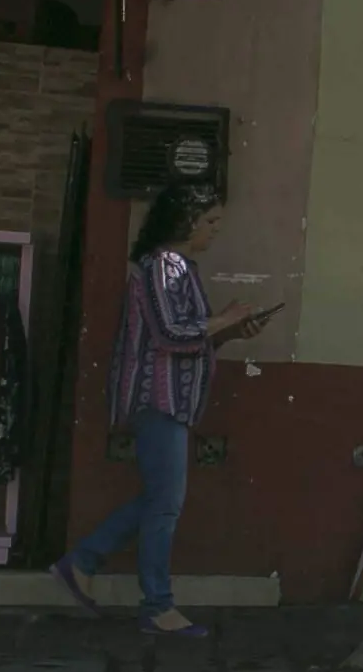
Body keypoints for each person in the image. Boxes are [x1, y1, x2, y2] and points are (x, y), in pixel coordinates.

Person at [49, 186, 267, 637]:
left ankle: (83, 563)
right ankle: (156, 605)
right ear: (185, 220)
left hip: (174, 402)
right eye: (210, 222)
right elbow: (170, 334)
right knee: (165, 505)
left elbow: (191, 339)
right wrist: (225, 319)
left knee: (158, 500)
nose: (214, 231)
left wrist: (229, 331)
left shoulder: (181, 270)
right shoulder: (162, 267)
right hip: (160, 399)